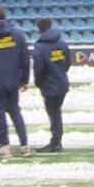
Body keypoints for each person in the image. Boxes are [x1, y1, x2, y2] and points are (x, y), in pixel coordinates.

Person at [0, 6, 31, 157]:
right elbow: (25, 59)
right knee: (15, 111)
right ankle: (24, 145)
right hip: (13, 80)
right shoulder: (17, 35)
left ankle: (5, 145)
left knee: (0, 112)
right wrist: (24, 79)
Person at [32, 18, 71, 153]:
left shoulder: (40, 47)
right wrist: (60, 73)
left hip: (49, 86)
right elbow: (67, 63)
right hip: (61, 83)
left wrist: (40, 83)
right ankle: (56, 141)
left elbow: (38, 69)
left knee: (53, 114)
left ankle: (55, 142)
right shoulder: (62, 43)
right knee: (56, 113)